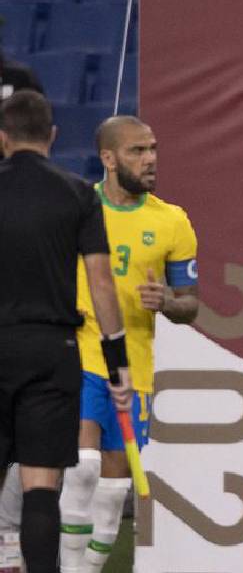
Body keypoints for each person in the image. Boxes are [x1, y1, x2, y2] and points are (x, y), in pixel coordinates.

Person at [58, 116, 200, 572]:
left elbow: (190, 304)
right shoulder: (78, 208)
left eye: (153, 148)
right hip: (79, 356)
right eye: (138, 151)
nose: (151, 159)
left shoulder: (172, 221)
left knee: (114, 491)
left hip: (134, 366)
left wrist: (167, 303)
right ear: (108, 158)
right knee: (82, 469)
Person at [0, 91, 130, 573]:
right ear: (52, 136)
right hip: (52, 352)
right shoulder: (78, 194)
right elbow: (101, 284)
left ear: (2, 138)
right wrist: (117, 365)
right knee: (40, 488)